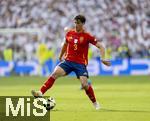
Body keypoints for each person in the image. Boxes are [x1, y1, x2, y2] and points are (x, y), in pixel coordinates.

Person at [31, 15, 111, 110]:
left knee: (85, 85)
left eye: (78, 23)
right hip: (68, 61)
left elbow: (101, 46)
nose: (76, 25)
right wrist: (61, 55)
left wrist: (102, 58)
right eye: (75, 23)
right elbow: (65, 45)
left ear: (83, 24)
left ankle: (95, 103)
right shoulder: (69, 33)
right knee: (55, 73)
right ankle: (40, 93)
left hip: (80, 64)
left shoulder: (87, 36)